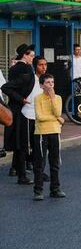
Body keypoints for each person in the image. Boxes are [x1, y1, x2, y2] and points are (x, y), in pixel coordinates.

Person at [2, 44, 36, 184]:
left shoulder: (14, 68)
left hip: (15, 109)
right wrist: (21, 99)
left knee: (18, 140)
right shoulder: (26, 69)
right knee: (22, 142)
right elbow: (6, 87)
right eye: (31, 56)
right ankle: (22, 175)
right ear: (24, 55)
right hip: (22, 110)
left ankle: (14, 168)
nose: (32, 58)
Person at [31, 72, 65, 200]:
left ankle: (55, 189)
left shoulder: (58, 98)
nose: (51, 85)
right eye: (47, 82)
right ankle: (38, 191)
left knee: (55, 162)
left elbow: (57, 112)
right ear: (41, 85)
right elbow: (40, 117)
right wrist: (57, 119)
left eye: (52, 82)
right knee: (40, 163)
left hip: (55, 132)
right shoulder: (37, 98)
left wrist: (52, 98)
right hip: (41, 133)